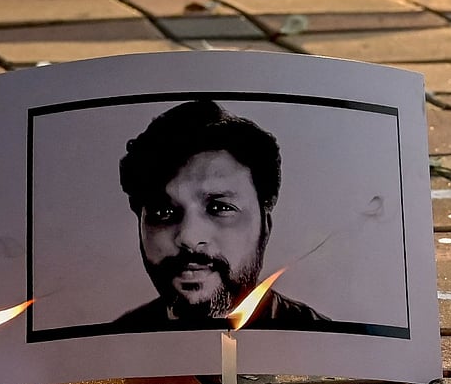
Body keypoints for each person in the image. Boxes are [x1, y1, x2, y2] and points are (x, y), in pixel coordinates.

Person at [114, 100, 329, 332]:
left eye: (220, 208)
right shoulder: (111, 347)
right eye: (163, 212)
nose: (188, 237)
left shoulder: (324, 344)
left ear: (264, 227)